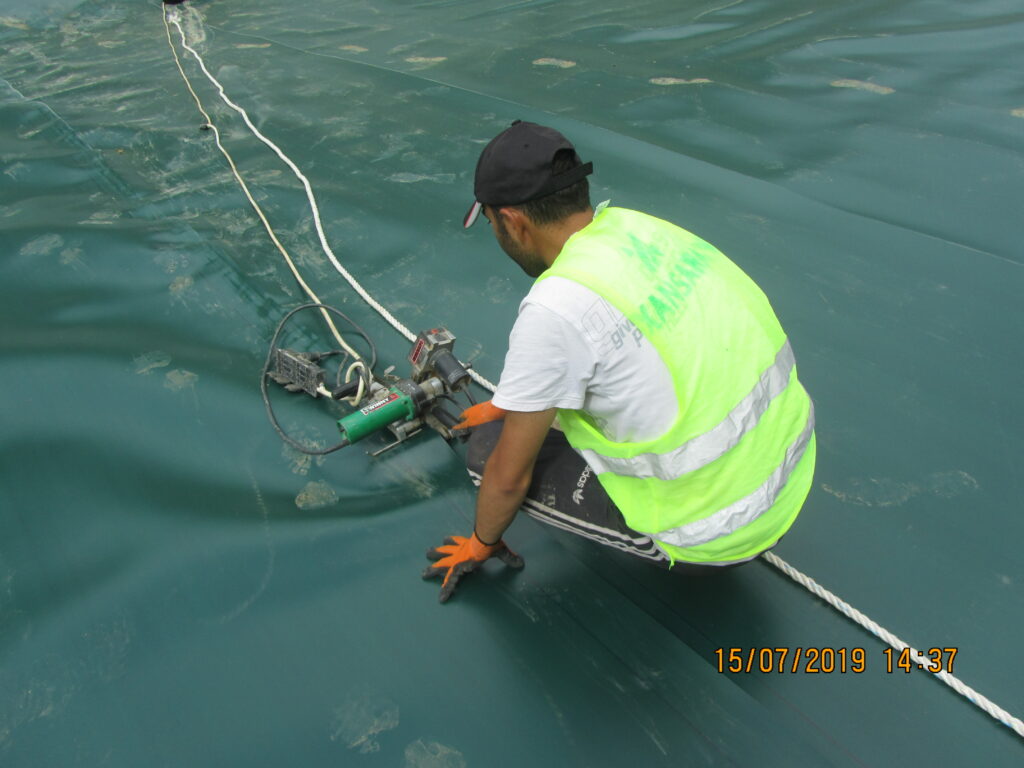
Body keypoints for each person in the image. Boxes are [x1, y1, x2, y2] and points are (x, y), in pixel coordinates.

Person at [422, 121, 816, 603]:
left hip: (716, 533)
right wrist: (512, 401)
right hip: (789, 475)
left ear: (513, 221)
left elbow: (509, 477)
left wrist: (479, 543)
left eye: (492, 225)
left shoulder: (556, 308)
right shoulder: (642, 229)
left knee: (488, 452)